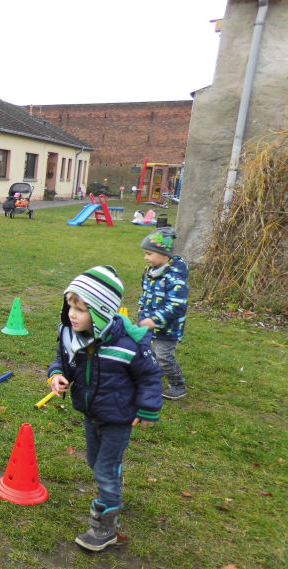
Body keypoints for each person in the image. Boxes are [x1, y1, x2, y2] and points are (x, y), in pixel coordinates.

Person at [47, 265, 162, 552]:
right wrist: (57, 374)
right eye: (70, 305)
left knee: (104, 469)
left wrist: (148, 407)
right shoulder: (75, 337)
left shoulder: (127, 344)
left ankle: (105, 526)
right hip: (91, 413)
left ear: (100, 312)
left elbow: (149, 376)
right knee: (95, 462)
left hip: (119, 418)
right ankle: (113, 482)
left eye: (81, 309)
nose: (72, 314)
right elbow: (64, 360)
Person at [138, 227, 189, 400]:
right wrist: (141, 309)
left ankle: (178, 385)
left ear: (165, 255)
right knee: (148, 351)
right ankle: (155, 373)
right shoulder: (151, 273)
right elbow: (146, 293)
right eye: (145, 253)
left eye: (149, 254)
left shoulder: (175, 278)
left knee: (164, 355)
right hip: (150, 322)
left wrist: (155, 319)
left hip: (169, 327)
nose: (146, 257)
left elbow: (177, 305)